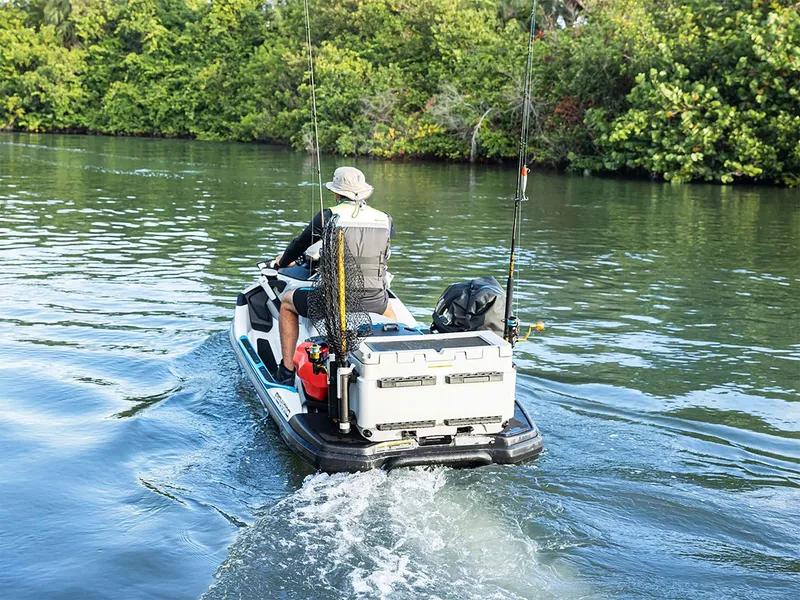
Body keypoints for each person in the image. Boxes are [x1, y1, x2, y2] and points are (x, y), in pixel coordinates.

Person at [272, 166, 395, 386]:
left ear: (336, 193)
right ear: (364, 193)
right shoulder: (385, 218)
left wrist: (281, 262)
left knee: (287, 302)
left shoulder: (328, 216)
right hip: (375, 298)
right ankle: (388, 366)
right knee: (391, 314)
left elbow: (298, 245)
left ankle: (287, 370)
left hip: (335, 301)